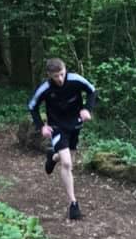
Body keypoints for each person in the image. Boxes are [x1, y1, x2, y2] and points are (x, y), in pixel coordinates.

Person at [27, 57, 97, 220]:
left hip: (75, 124)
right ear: (49, 75)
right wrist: (41, 126)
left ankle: (52, 156)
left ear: (65, 70)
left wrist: (87, 109)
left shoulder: (75, 80)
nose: (59, 79)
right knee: (67, 163)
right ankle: (73, 204)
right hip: (57, 126)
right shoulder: (45, 88)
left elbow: (92, 91)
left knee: (67, 156)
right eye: (55, 76)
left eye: (62, 74)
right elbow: (32, 106)